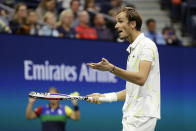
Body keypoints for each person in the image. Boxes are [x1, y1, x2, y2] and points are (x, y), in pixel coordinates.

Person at [87, 7, 160, 131]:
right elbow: (132, 91)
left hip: (141, 116)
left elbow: (141, 79)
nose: (116, 26)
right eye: (116, 22)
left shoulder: (147, 45)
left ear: (132, 24)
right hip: (132, 114)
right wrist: (103, 97)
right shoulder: (133, 50)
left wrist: (111, 69)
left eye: (120, 21)